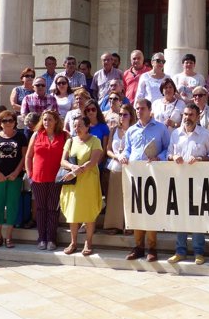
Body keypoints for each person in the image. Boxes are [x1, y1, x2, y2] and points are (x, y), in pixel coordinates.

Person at [120, 99, 171, 262]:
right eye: (137, 109)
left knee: (150, 210)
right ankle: (138, 246)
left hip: (153, 175)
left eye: (142, 108)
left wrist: (159, 157)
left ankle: (152, 247)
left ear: (150, 110)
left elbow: (168, 148)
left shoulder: (161, 128)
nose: (139, 111)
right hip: (134, 175)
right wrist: (124, 157)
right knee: (136, 210)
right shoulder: (131, 130)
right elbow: (127, 149)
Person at [168, 103, 209, 264]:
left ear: (198, 117)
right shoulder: (175, 134)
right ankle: (180, 250)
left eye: (190, 115)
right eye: (185, 114)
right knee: (180, 216)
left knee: (197, 217)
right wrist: (172, 157)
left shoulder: (205, 134)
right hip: (179, 182)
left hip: (198, 183)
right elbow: (169, 152)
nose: (187, 118)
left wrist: (201, 159)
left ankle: (198, 252)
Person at [59, 114, 104, 256]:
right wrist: (73, 168)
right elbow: (63, 161)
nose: (76, 128)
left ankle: (88, 242)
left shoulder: (95, 141)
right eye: (75, 125)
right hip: (73, 182)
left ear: (87, 126)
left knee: (89, 213)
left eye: (79, 125)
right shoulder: (70, 141)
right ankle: (73, 242)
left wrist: (77, 171)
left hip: (88, 182)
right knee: (73, 212)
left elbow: (92, 162)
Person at [25, 110, 68, 250]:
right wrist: (30, 174)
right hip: (38, 178)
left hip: (56, 178)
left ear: (56, 121)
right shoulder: (36, 135)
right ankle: (41, 238)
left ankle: (51, 239)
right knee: (41, 208)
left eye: (50, 119)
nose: (46, 122)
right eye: (44, 120)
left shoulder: (64, 135)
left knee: (53, 209)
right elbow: (28, 156)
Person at [0, 110, 27, 248]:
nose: (8, 123)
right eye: (4, 121)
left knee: (12, 205)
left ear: (15, 122)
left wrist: (16, 172)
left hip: (15, 177)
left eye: (10, 120)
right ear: (0, 123)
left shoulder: (21, 137)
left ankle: (8, 237)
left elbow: (24, 157)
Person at [104, 103, 135, 235]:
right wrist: (116, 157)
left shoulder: (135, 130)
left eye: (125, 114)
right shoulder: (114, 130)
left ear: (131, 116)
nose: (122, 117)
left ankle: (129, 225)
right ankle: (114, 224)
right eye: (120, 114)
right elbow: (108, 149)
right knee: (115, 196)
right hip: (116, 166)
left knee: (130, 196)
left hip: (131, 167)